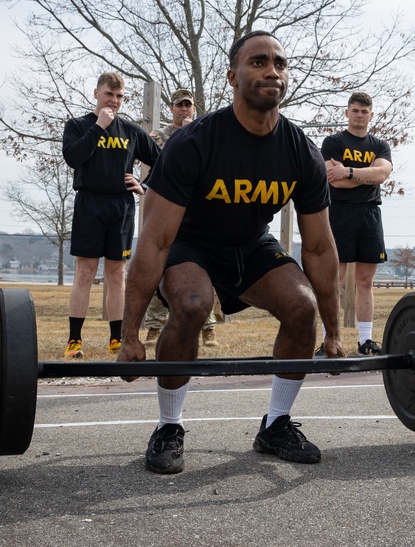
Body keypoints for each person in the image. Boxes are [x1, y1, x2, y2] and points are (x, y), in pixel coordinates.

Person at [118, 30, 345, 475]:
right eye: (258, 62)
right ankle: (169, 425)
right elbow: (154, 241)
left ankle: (276, 425)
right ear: (232, 76)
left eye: (280, 63)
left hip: (251, 244)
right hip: (191, 243)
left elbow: (319, 248)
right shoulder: (194, 142)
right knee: (192, 305)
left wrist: (333, 333)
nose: (272, 71)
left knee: (302, 307)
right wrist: (128, 336)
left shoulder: (301, 151)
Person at [61, 72, 160, 359]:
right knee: (85, 273)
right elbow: (73, 157)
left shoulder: (131, 130)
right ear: (96, 93)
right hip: (89, 204)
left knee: (117, 274)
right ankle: (74, 341)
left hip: (121, 206)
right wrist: (100, 127)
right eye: (109, 95)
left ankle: (117, 339)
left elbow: (163, 159)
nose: (114, 101)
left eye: (119, 97)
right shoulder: (78, 125)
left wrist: (144, 185)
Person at [143, 88, 220, 350]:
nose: (184, 109)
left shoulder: (206, 134)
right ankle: (154, 326)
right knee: (159, 265)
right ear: (172, 109)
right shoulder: (158, 137)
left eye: (188, 105)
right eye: (179, 105)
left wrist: (193, 131)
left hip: (199, 211)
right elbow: (153, 166)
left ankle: (208, 329)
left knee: (204, 269)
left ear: (193, 108)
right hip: (167, 209)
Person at [320, 92, 393, 355]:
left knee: (365, 281)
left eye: (364, 111)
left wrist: (349, 171)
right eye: (355, 110)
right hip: (339, 213)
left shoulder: (380, 145)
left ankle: (365, 342)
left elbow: (382, 174)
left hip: (369, 214)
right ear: (347, 113)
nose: (359, 115)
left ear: (371, 115)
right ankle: (329, 340)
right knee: (333, 279)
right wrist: (367, 175)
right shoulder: (333, 141)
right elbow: (333, 179)